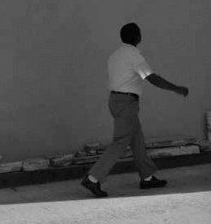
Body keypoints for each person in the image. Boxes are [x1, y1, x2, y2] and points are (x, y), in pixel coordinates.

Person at [81, 22, 189, 197]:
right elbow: (151, 77)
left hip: (116, 100)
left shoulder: (115, 55)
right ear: (138, 37)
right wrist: (176, 88)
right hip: (126, 102)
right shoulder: (134, 55)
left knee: (137, 139)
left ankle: (147, 178)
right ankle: (93, 178)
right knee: (121, 141)